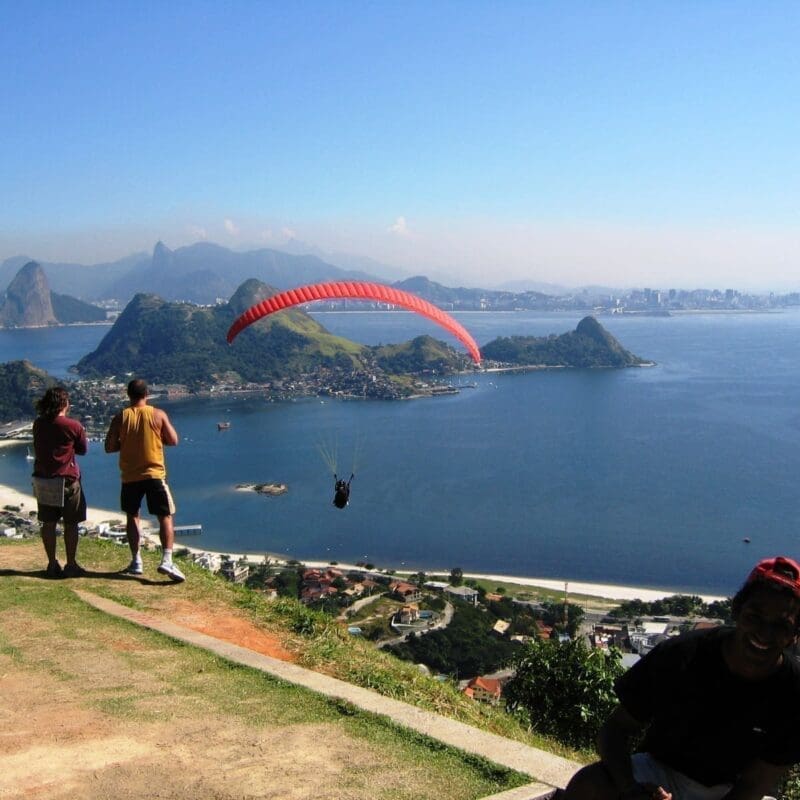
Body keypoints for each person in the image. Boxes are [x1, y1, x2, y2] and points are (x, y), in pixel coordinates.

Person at [562, 556, 800, 800]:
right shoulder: (683, 653)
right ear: (737, 611)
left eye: (781, 625)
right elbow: (615, 729)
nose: (764, 632)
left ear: (794, 634)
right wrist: (631, 789)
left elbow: (754, 784)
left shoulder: (793, 691)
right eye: (755, 616)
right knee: (589, 783)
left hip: (731, 791)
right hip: (660, 772)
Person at [104, 378, 184, 582]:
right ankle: (167, 559)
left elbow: (109, 447)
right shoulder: (158, 414)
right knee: (165, 516)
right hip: (154, 474)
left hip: (130, 475)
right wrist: (156, 438)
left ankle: (136, 560)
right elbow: (173, 440)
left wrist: (126, 443)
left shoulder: (121, 417)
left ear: (128, 394)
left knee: (132, 516)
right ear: (147, 394)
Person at [31, 386, 88, 578]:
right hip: (67, 480)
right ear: (64, 404)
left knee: (48, 523)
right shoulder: (73, 426)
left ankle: (51, 563)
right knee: (71, 524)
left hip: (43, 480)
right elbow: (82, 449)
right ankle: (71, 564)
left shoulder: (38, 424)